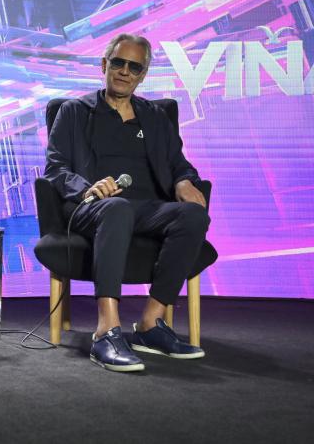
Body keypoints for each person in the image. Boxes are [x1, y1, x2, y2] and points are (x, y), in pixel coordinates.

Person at [45, 33, 210, 372]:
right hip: (93, 206)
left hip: (147, 209)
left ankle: (150, 324)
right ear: (104, 65)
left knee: (193, 216)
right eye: (118, 63)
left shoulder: (154, 117)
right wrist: (88, 186)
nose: (124, 72)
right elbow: (55, 169)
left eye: (134, 67)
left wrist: (183, 181)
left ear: (142, 75)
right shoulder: (73, 112)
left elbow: (179, 163)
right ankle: (106, 330)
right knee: (117, 209)